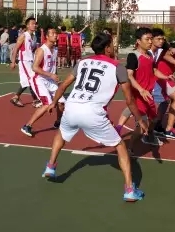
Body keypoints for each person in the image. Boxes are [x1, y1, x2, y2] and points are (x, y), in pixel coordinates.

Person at [41, 33, 145, 202]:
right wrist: (139, 120)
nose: (114, 47)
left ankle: (51, 166)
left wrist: (54, 102)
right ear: (107, 48)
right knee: (120, 146)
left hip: (72, 107)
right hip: (92, 112)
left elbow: (64, 85)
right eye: (112, 44)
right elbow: (129, 100)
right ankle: (129, 190)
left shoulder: (83, 62)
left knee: (61, 134)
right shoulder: (118, 67)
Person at [21, 27, 64, 136]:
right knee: (47, 104)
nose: (56, 35)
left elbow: (53, 67)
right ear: (47, 36)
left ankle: (58, 122)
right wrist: (51, 75)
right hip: (39, 79)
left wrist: (55, 78)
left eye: (56, 33)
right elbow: (34, 67)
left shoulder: (55, 50)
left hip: (50, 80)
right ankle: (27, 126)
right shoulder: (41, 50)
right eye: (53, 33)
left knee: (61, 102)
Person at [9, 17, 41, 108]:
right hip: (24, 61)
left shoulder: (34, 37)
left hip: (30, 61)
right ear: (27, 25)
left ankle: (16, 97)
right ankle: (35, 100)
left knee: (29, 80)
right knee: (31, 79)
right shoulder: (24, 35)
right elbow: (16, 49)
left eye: (35, 24)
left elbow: (33, 50)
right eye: (32, 23)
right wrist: (13, 62)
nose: (34, 25)